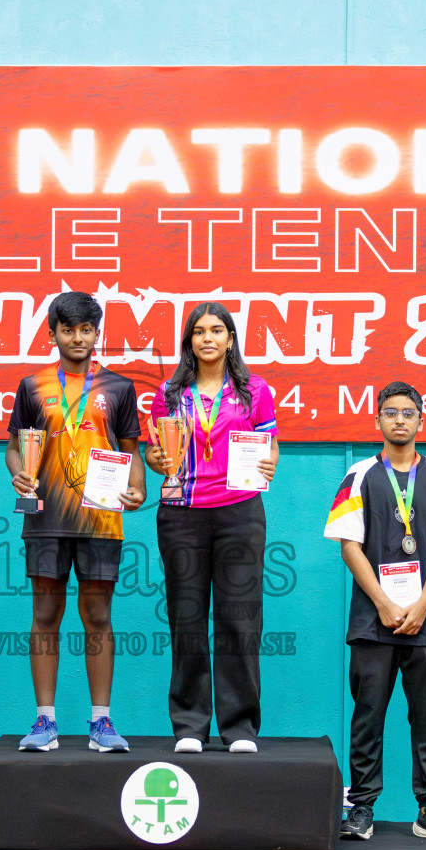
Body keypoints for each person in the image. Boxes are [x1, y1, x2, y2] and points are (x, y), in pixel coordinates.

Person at [324, 382, 426, 841]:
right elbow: (349, 545)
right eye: (391, 413)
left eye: (408, 413)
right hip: (373, 618)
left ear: (421, 421)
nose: (400, 420)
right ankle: (362, 806)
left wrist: (422, 602)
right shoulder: (359, 474)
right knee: (368, 712)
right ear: (378, 421)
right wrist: (384, 602)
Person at [6, 291, 145, 753]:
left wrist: (139, 488)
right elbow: (14, 447)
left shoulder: (120, 388)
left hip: (101, 518)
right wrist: (17, 472)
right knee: (45, 615)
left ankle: (101, 723)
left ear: (97, 333)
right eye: (69, 329)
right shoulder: (31, 386)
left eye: (87, 329)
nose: (78, 337)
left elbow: (131, 451)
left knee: (99, 616)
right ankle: (44, 721)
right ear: (53, 334)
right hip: (44, 515)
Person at [144, 302, 279, 754]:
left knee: (240, 620)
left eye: (216, 330)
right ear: (189, 341)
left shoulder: (255, 390)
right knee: (186, 619)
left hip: (240, 511)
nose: (207, 338)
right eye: (199, 331)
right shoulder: (169, 392)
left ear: (230, 338)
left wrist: (269, 464)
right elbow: (154, 451)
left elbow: (270, 445)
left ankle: (239, 727)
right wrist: (157, 460)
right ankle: (189, 726)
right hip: (182, 513)